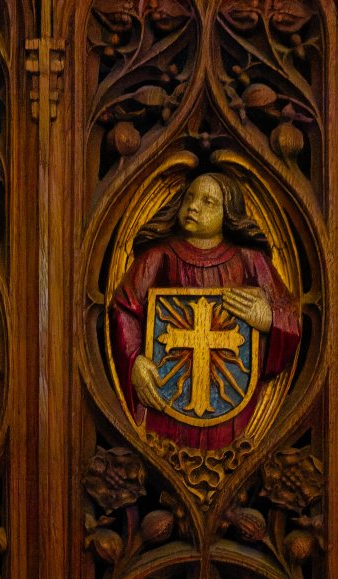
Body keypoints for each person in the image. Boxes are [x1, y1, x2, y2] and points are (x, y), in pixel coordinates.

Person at [110, 173, 300, 451]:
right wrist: (135, 361)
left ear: (228, 213)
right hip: (166, 407)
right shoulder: (158, 257)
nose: (194, 206)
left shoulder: (250, 260)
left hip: (234, 418)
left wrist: (270, 318)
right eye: (190, 197)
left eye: (208, 201)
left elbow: (290, 315)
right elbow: (123, 308)